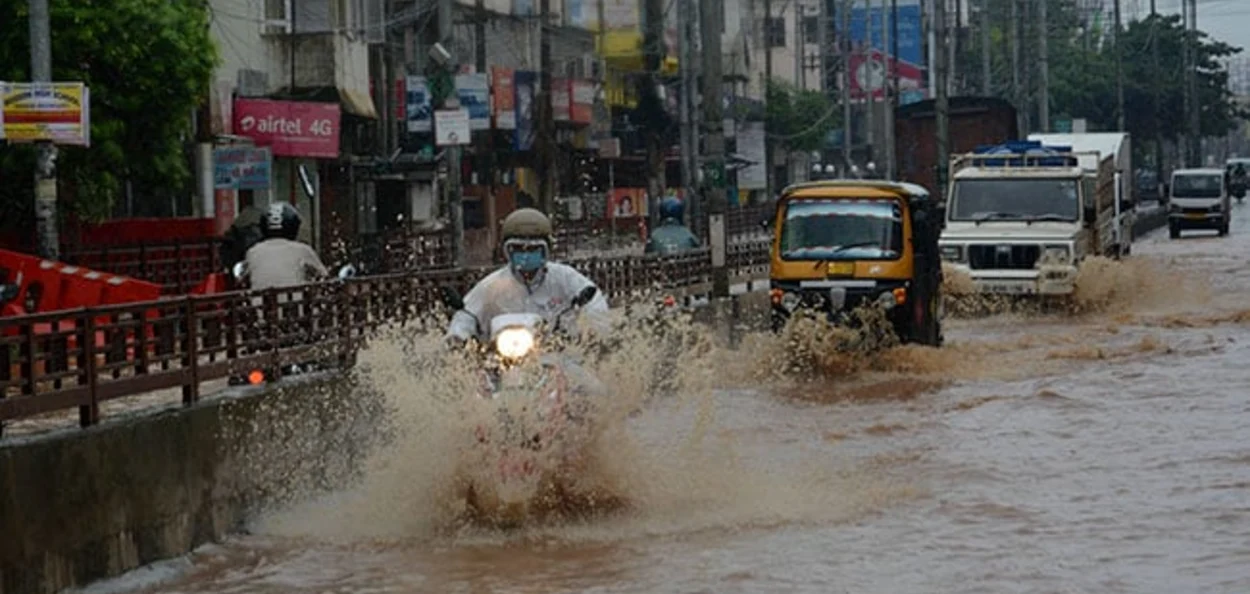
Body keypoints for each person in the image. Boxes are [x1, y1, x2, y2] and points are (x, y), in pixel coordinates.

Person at [446, 208, 610, 344]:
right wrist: (458, 337)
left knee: (584, 375)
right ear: (507, 251)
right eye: (518, 249)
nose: (525, 255)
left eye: (533, 249)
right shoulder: (491, 286)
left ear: (546, 251)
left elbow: (593, 300)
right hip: (501, 358)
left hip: (558, 353)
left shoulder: (565, 277)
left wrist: (592, 331)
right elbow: (468, 314)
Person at [243, 202, 329, 291]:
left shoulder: (253, 252)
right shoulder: (303, 250)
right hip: (294, 299)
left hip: (261, 300)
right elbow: (323, 276)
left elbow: (243, 277)